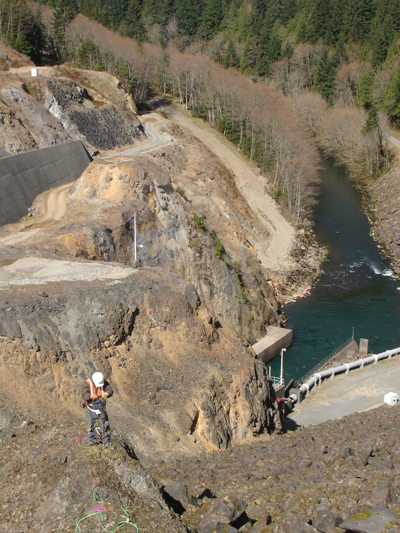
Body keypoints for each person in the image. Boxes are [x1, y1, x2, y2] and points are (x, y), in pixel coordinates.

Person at [81, 372, 114, 446]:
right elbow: (84, 394)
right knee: (90, 425)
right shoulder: (88, 383)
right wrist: (91, 396)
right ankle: (92, 442)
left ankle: (107, 441)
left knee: (105, 424)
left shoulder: (103, 382)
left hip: (101, 406)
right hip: (90, 408)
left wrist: (107, 394)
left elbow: (110, 389)